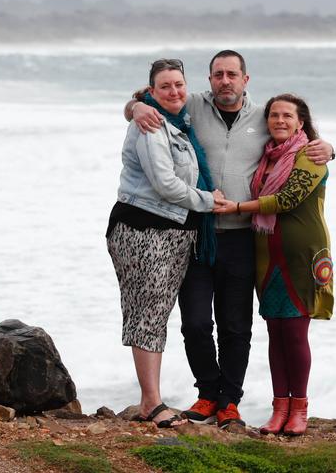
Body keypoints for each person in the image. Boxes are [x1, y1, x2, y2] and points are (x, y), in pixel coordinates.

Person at [125, 50, 334, 428]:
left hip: (243, 238)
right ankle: (207, 394)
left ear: (245, 79)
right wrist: (135, 107)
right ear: (209, 79)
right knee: (196, 323)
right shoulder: (191, 105)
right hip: (196, 235)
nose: (225, 80)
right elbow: (155, 96)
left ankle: (230, 402)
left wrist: (331, 148)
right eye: (218, 74)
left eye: (232, 74)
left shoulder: (263, 117)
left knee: (236, 326)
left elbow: (296, 142)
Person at [107, 58, 224, 428]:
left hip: (173, 233)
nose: (174, 92)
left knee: (155, 313)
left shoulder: (178, 119)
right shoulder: (150, 126)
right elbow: (164, 184)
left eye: (179, 85)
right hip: (143, 229)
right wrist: (210, 201)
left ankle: (151, 400)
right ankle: (152, 403)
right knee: (147, 312)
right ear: (152, 92)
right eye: (165, 87)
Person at [214, 93, 333, 436]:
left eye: (287, 116)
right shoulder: (266, 159)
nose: (279, 121)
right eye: (273, 116)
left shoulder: (311, 155)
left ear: (301, 122)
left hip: (301, 255)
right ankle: (279, 408)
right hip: (266, 255)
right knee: (275, 334)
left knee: (295, 334)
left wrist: (238, 208)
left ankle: (300, 409)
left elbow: (287, 199)